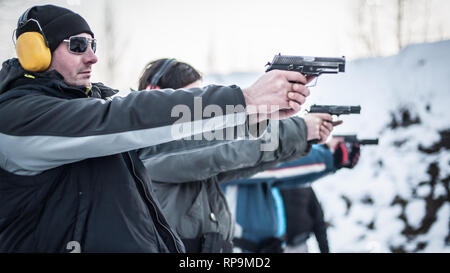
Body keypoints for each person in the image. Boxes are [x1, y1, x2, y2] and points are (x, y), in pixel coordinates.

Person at [0, 5, 312, 253]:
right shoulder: (18, 118)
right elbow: (128, 117)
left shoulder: (92, 113)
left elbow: (175, 138)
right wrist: (243, 99)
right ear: (34, 53)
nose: (92, 57)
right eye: (78, 46)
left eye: (93, 44)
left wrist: (251, 113)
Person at [136, 58, 335, 252]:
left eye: (199, 101)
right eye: (188, 102)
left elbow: (246, 162)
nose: (198, 112)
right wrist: (301, 130)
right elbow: (231, 152)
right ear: (157, 98)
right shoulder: (153, 149)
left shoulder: (184, 152)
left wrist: (301, 138)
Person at [221, 137, 360, 253]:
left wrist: (329, 157)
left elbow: (290, 175)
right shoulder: (231, 156)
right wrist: (330, 156)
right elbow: (274, 165)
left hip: (265, 247)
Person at [281, 139, 360, 253]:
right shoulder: (270, 184)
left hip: (299, 245)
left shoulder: (305, 186)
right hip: (273, 246)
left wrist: (325, 250)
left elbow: (318, 222)